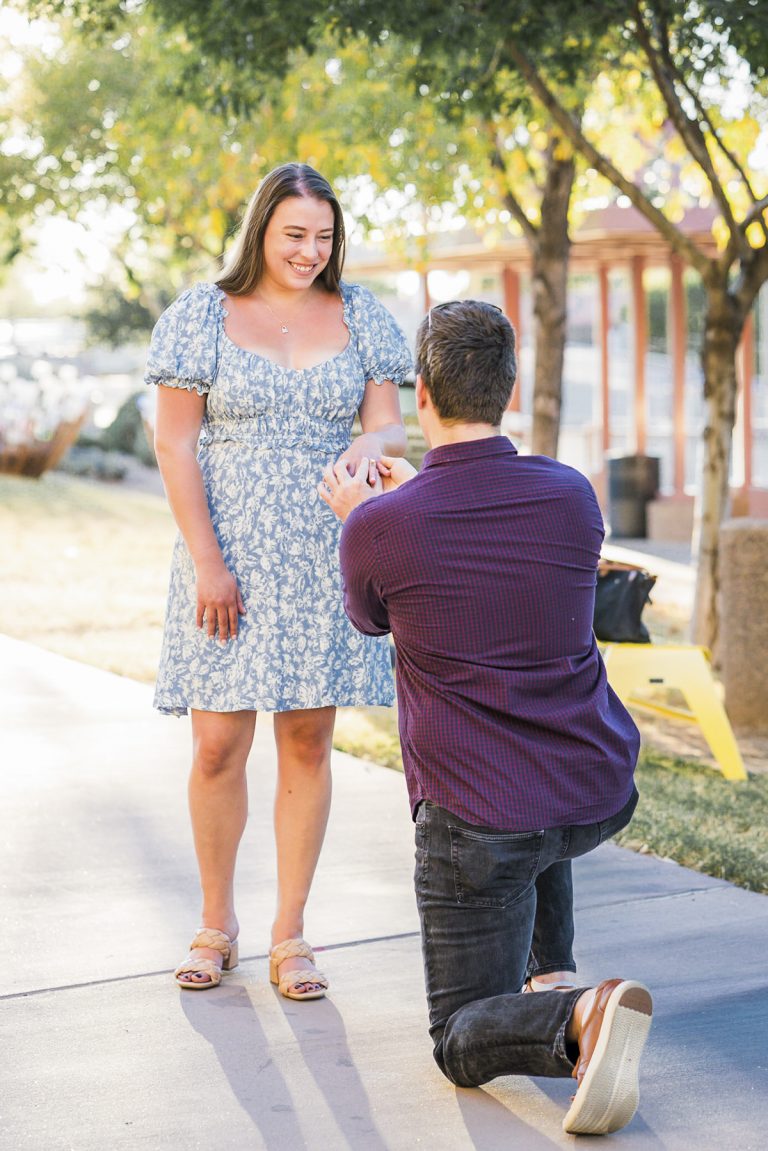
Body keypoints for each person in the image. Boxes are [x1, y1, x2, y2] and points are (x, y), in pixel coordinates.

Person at [319, 299, 652, 1136]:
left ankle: (576, 1014)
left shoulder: (381, 529)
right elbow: (493, 550)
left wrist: (360, 518)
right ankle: (553, 973)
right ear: (506, 387)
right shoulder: (572, 496)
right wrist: (406, 505)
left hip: (479, 822)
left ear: (420, 393)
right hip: (591, 790)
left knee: (457, 1039)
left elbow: (372, 616)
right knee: (530, 799)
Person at [144, 162, 410, 995]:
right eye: (295, 233)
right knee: (219, 742)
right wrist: (210, 563)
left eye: (324, 235)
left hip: (325, 557)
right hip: (226, 557)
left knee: (307, 739)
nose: (309, 249)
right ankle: (214, 923)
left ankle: (291, 931)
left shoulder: (362, 315)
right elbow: (174, 444)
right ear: (261, 227)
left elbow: (390, 424)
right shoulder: (202, 315)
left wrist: (372, 447)